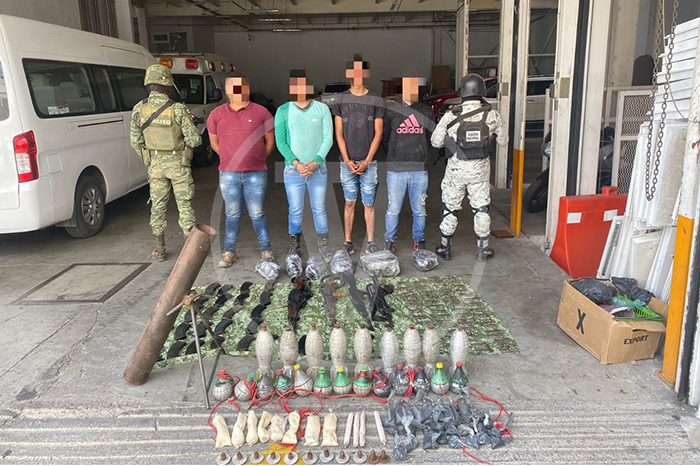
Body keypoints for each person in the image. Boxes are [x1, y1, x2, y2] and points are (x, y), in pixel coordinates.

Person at [430, 73, 507, 262]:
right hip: (480, 172)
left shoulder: (452, 114)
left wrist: (451, 139)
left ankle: (445, 248)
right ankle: (482, 250)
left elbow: (435, 142)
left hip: (456, 171)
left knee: (450, 208)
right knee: (481, 208)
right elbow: (503, 141)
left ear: (462, 91)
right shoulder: (492, 115)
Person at [130, 64, 201, 262]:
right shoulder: (178, 109)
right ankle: (189, 253)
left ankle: (159, 249)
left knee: (157, 206)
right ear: (168, 84)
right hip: (178, 165)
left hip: (155, 167)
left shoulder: (139, 109)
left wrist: (149, 159)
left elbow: (135, 141)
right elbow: (195, 140)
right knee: (184, 206)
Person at [207, 72, 276, 268]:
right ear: (227, 90)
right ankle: (229, 252)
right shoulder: (216, 114)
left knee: (257, 213)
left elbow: (270, 143)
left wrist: (257, 159)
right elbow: (214, 143)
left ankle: (266, 250)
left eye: (241, 87)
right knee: (232, 214)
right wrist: (230, 159)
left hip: (256, 173)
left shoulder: (262, 112)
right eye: (234, 87)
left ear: (247, 88)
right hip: (228, 174)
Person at [275, 69, 334, 261]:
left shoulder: (322, 109)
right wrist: (297, 164)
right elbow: (281, 141)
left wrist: (317, 161)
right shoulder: (283, 111)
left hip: (318, 170)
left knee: (319, 208)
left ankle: (323, 246)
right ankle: (295, 245)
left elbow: (328, 138)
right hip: (293, 171)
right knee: (295, 209)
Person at [332, 54, 384, 255]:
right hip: (347, 162)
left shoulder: (375, 99)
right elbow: (338, 133)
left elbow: (379, 133)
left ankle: (370, 242)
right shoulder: (340, 99)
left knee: (368, 203)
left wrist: (367, 161)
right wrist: (346, 160)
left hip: (369, 162)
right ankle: (348, 242)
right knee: (349, 202)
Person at [382, 76, 435, 253]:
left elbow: (431, 138)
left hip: (419, 169)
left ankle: (419, 240)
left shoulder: (426, 111)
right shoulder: (391, 110)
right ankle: (390, 240)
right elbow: (385, 139)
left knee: (419, 210)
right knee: (393, 209)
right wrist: (395, 156)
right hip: (396, 169)